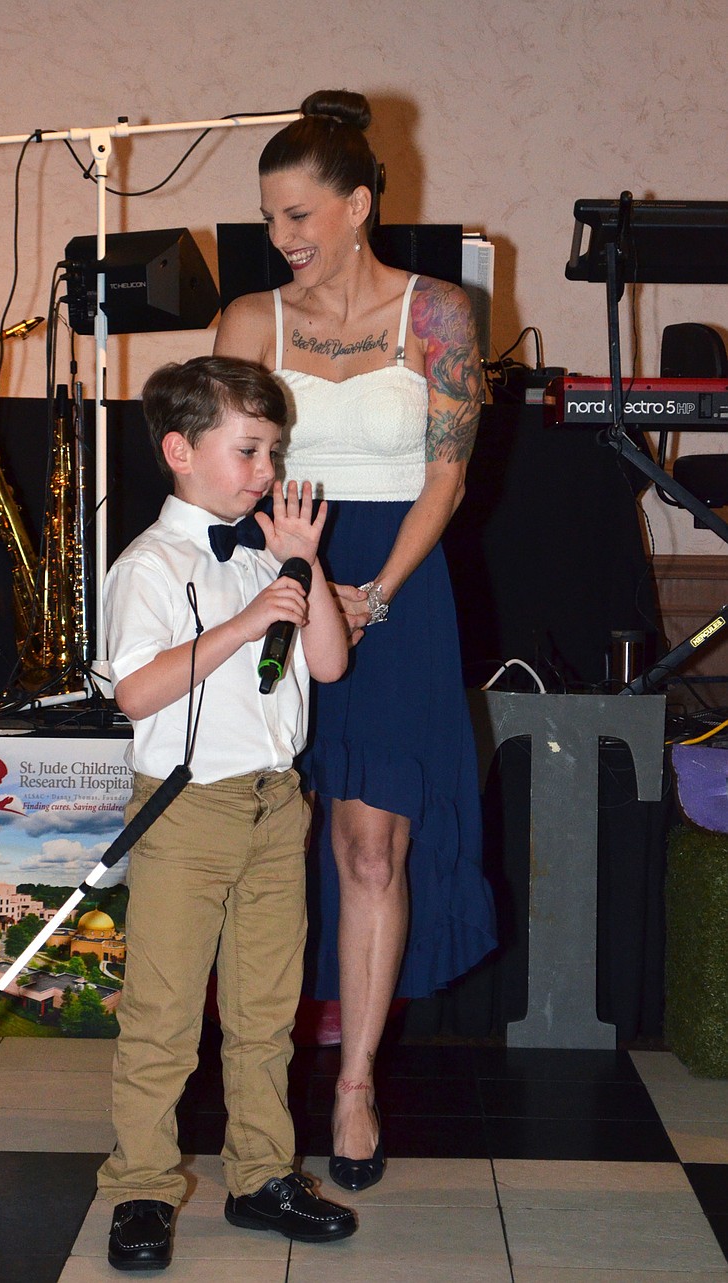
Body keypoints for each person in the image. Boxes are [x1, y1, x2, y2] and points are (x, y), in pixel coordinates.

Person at [214, 89, 497, 1192]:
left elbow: (447, 477)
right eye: (270, 219)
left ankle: (355, 1082)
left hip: (398, 590)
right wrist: (292, 574)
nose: (281, 238)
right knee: (267, 840)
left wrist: (370, 591)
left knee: (371, 847)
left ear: (358, 205)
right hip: (276, 579)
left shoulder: (441, 315)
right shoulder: (250, 320)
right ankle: (255, 1072)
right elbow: (226, 470)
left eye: (298, 216)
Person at [97, 356, 355, 1271]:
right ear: (180, 451)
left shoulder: (262, 556)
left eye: (273, 451)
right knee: (163, 1014)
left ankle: (260, 1173)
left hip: (275, 807)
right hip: (187, 815)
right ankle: (140, 1186)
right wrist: (243, 625)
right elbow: (136, 692)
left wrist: (304, 564)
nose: (266, 471)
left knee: (265, 1012)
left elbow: (329, 664)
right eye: (248, 449)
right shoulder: (149, 565)